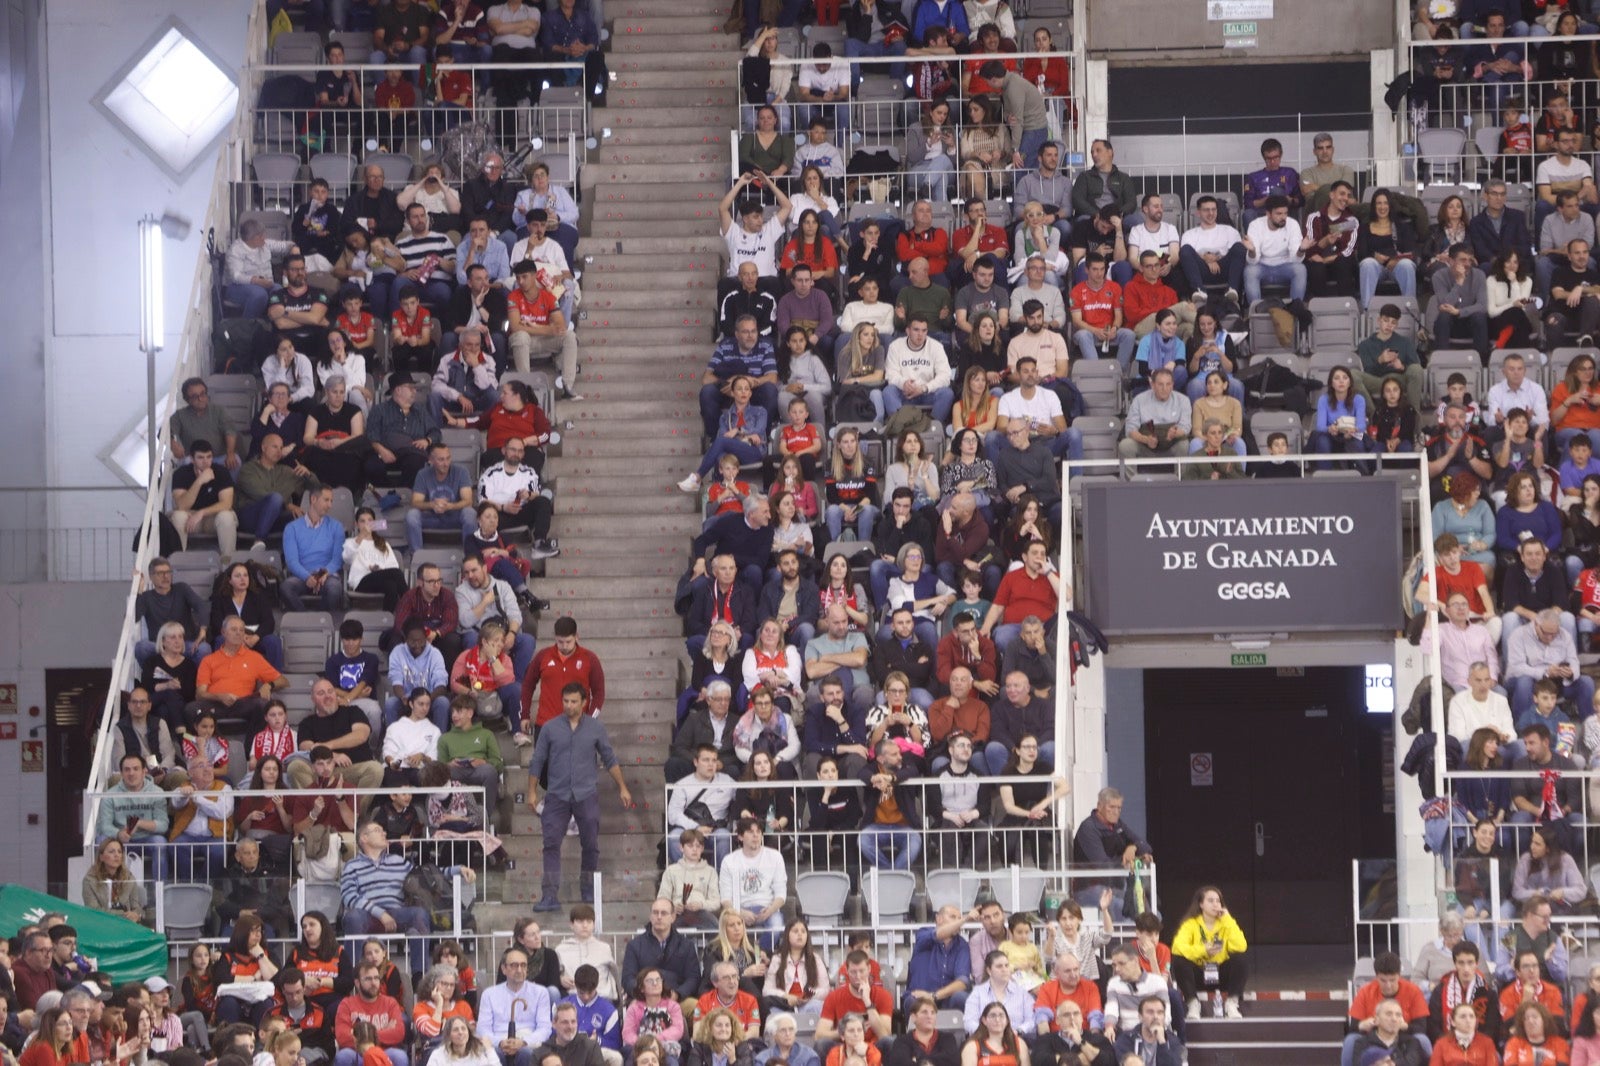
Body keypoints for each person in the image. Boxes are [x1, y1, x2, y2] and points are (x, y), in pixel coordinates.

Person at [527, 683, 632, 910]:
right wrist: (532, 791)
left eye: (574, 701)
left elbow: (609, 758)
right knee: (551, 844)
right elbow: (537, 760)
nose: (569, 705)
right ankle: (549, 896)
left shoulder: (595, 728)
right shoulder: (549, 728)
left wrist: (622, 786)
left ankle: (587, 890)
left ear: (584, 702)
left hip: (586, 794)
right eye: (566, 701)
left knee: (591, 844)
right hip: (556, 794)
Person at [1170, 886, 1247, 1020]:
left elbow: (1241, 946)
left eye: (1218, 901)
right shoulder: (1191, 924)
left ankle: (1232, 1004)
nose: (1215, 904)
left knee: (1240, 959)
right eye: (1210, 901)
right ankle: (1193, 1004)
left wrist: (1228, 920)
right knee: (1179, 961)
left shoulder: (1226, 923)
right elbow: (1177, 947)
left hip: (1220, 974)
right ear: (1201, 904)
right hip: (1198, 974)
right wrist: (1203, 950)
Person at [473, 948, 551, 1066]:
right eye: (514, 965)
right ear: (504, 969)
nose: (519, 970)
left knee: (527, 1054)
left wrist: (524, 1042)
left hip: (528, 1044)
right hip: (499, 1043)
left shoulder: (540, 992)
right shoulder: (489, 994)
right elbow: (483, 1029)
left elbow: (545, 1028)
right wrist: (500, 1042)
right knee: (492, 1054)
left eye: (523, 965)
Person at [621, 901, 702, 1004]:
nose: (659, 917)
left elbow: (693, 978)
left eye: (663, 913)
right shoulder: (634, 945)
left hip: (678, 999)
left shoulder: (686, 945)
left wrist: (678, 994)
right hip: (643, 999)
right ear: (650, 916)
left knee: (694, 1006)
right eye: (655, 913)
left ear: (673, 917)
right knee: (633, 1007)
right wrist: (644, 993)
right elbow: (627, 978)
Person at [1241, 196, 1308, 304]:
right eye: (1279, 213)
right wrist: (1252, 250)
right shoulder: (1256, 225)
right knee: (1250, 271)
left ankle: (1296, 308)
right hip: (1262, 266)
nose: (1283, 217)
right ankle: (1255, 311)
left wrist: (1301, 249)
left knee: (1300, 269)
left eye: (1285, 213)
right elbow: (1253, 261)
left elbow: (1296, 260)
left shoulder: (1292, 224)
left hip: (1285, 266)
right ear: (1268, 214)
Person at [1110, 998, 1181, 1066]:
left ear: (1164, 1017)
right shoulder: (1126, 1039)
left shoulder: (1172, 1041)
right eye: (1150, 1012)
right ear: (1140, 1016)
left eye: (1160, 1013)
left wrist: (1162, 1042)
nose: (1156, 1016)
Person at [960, 1002, 1030, 1066]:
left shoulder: (1019, 1044)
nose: (997, 1020)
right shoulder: (973, 1046)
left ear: (1007, 1021)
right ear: (984, 1021)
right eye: (993, 1016)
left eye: (1001, 1016)